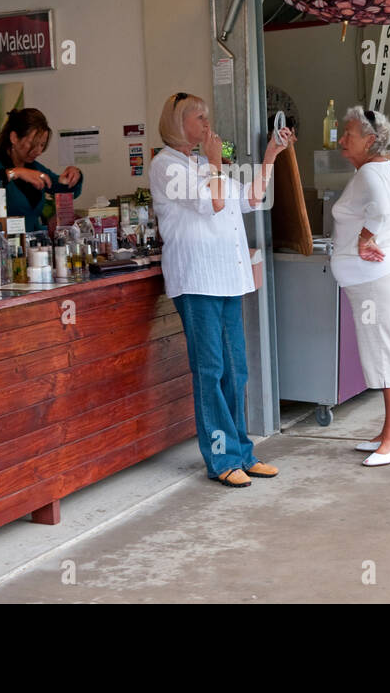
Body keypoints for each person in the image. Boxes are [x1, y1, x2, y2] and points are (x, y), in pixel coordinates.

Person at [150, 92, 291, 488]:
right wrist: (214, 162)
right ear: (179, 124)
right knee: (210, 370)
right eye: (199, 117)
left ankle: (242, 452)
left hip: (228, 278)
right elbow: (212, 204)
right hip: (196, 280)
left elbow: (252, 198)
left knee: (237, 370)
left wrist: (269, 157)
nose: (207, 125)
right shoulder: (167, 166)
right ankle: (220, 456)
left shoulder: (200, 164)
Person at [331, 107, 390, 467]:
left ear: (369, 139)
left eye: (348, 133)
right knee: (380, 354)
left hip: (377, 282)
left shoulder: (371, 173)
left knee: (387, 355)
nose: (341, 140)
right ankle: (388, 433)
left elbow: (385, 214)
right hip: (374, 281)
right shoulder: (376, 170)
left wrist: (366, 238)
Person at [0, 108, 83, 232]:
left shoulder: (35, 168)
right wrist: (15, 173)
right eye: (32, 144)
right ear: (14, 138)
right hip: (3, 244)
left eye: (42, 145)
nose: (39, 151)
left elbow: (64, 190)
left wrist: (73, 176)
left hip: (34, 244)